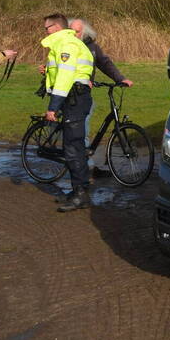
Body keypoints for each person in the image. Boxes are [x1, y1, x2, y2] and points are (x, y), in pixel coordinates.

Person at [41, 13, 95, 212]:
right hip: (74, 99)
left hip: (75, 99)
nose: (45, 32)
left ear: (56, 27)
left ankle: (81, 195)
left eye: (46, 28)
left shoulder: (67, 45)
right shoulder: (66, 44)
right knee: (74, 147)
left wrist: (53, 106)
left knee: (73, 148)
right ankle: (77, 190)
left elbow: (64, 76)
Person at [68, 18, 133, 176]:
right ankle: (86, 169)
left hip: (84, 94)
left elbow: (105, 63)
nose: (73, 34)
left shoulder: (92, 47)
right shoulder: (66, 46)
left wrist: (120, 79)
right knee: (81, 129)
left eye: (76, 31)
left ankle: (86, 165)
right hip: (69, 94)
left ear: (84, 32)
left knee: (83, 129)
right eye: (70, 30)